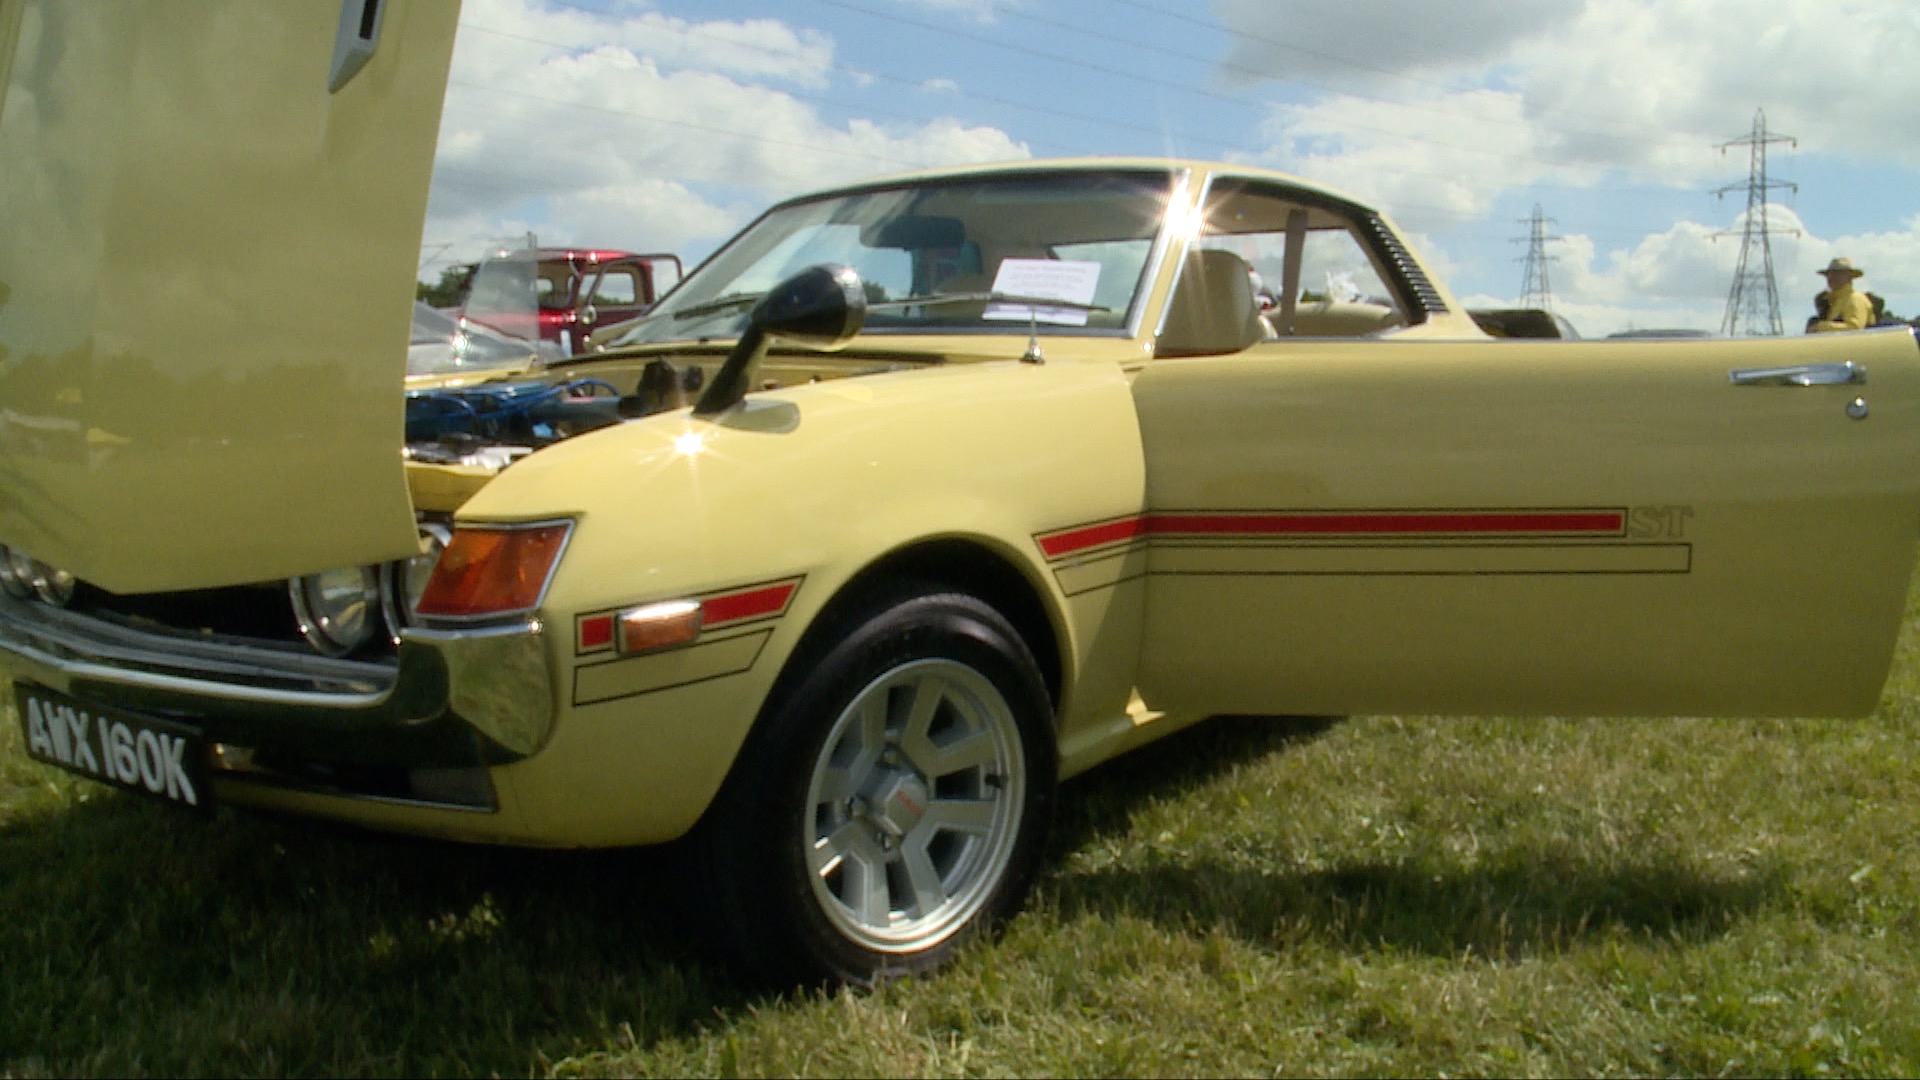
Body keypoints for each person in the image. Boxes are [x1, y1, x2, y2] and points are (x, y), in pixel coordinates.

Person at [1807, 257, 1873, 333]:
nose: (1831, 277)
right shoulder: (1834, 303)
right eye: (1829, 274)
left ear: (1849, 276)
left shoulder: (1855, 298)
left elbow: (1855, 328)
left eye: (1838, 274)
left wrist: (1820, 327)